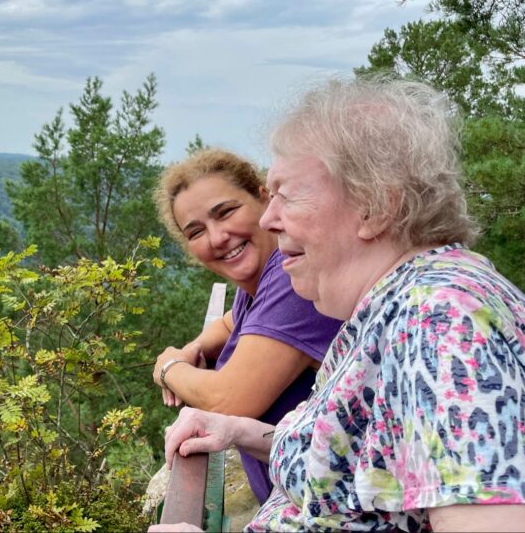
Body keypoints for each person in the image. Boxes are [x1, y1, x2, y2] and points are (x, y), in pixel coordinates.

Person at [160, 79, 525, 531]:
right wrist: (239, 432)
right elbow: (358, 463)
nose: (270, 219)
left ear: (374, 206)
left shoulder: (441, 323)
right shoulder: (386, 308)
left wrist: (168, 368)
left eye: (286, 196)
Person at [151, 148, 342, 503]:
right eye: (196, 232)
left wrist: (168, 367)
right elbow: (231, 322)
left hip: (324, 510)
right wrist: (193, 348)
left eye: (225, 212)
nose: (217, 237)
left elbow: (228, 400)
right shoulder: (260, 279)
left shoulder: (291, 278)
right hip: (299, 503)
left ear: (263, 198)